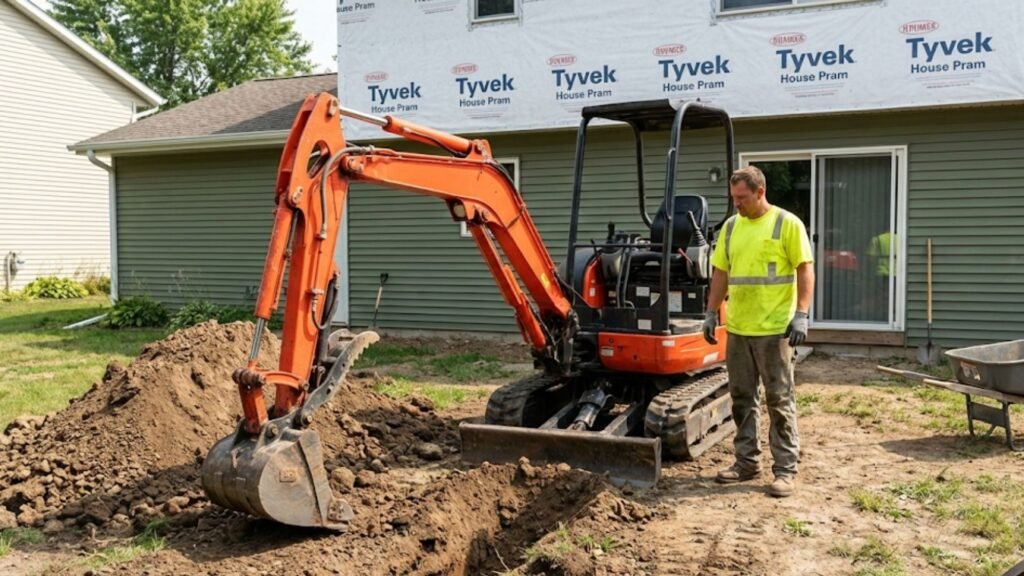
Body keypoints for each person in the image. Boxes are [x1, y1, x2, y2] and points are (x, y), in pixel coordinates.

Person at [701, 166, 815, 498]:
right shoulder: (732, 227)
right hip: (739, 329)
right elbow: (721, 271)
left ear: (760, 192)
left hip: (775, 329)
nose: (736, 204)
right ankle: (746, 462)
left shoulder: (787, 224)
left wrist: (802, 315)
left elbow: (804, 269)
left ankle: (785, 469)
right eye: (733, 198)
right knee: (741, 400)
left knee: (779, 400)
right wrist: (711, 312)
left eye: (742, 198)